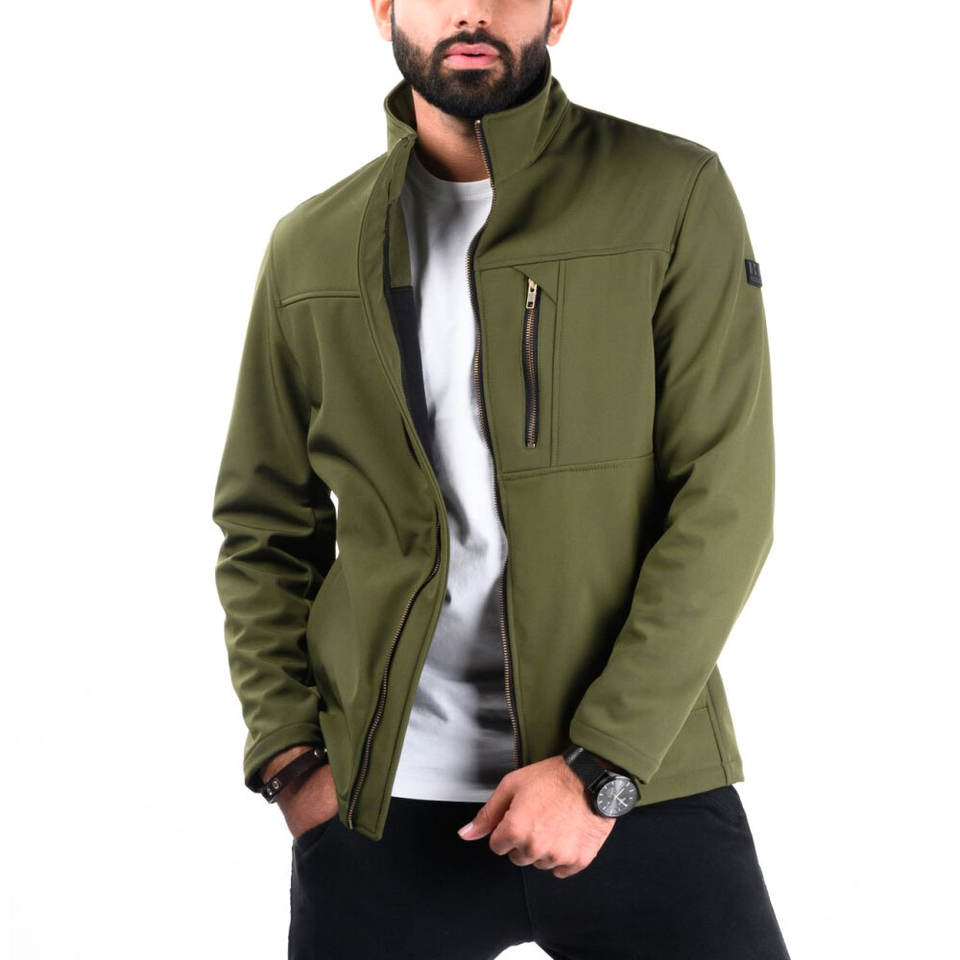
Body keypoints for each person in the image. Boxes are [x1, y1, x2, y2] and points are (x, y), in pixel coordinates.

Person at [211, 1, 792, 957]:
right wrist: (290, 761)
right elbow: (263, 524)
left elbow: (725, 502)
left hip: (640, 786)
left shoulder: (671, 193)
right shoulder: (310, 246)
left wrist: (602, 769)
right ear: (384, 8)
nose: (474, 9)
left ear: (558, 10)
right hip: (378, 806)